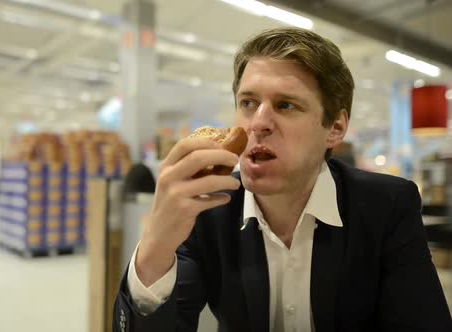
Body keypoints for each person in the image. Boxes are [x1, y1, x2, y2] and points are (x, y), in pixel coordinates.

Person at [113, 27, 452, 332]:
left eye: (286, 105)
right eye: (248, 102)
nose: (258, 122)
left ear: (335, 128)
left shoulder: (387, 206)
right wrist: (155, 248)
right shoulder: (207, 208)